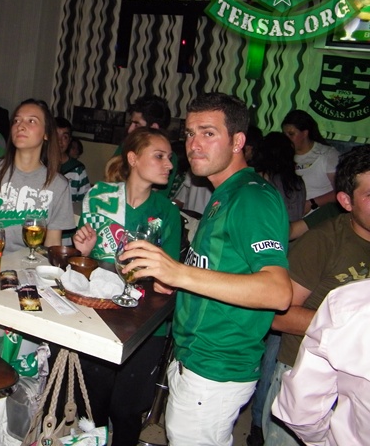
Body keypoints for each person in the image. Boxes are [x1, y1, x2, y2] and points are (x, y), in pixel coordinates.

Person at [121, 92, 292, 445]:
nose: (194, 144)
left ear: (237, 141)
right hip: (198, 361)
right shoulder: (225, 192)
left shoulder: (251, 197)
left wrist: (178, 273)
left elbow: (277, 291)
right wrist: (179, 281)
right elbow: (224, 270)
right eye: (189, 133)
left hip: (216, 369)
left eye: (208, 133)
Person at [72, 127, 181, 446]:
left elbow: (169, 279)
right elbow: (83, 269)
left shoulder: (167, 212)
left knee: (126, 410)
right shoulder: (100, 197)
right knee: (91, 407)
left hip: (145, 326)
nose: (169, 164)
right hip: (99, 316)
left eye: (169, 157)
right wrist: (84, 251)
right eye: (159, 156)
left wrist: (157, 275)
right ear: (133, 158)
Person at [262, 144, 370, 446]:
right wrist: (350, 330)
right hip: (305, 378)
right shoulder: (323, 243)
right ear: (346, 201)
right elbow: (278, 315)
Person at [246, 131, 307, 446]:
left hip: (265, 263)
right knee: (275, 345)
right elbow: (297, 223)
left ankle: (258, 423)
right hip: (292, 262)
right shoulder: (297, 184)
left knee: (268, 343)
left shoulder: (260, 184)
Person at [0, 99, 74, 252]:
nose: (20, 126)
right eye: (16, 120)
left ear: (46, 134)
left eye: (31, 121)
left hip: (30, 264)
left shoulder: (58, 185)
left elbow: (52, 244)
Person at [272, 278, 370, 446]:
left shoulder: (357, 300)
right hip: (294, 359)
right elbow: (280, 318)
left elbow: (300, 409)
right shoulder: (355, 301)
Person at [112, 94, 179, 197]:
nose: (130, 129)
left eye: (136, 124)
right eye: (131, 123)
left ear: (153, 128)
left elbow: (159, 199)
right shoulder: (125, 147)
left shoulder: (170, 159)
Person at [282, 110, 339, 216]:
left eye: (291, 134)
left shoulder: (327, 154)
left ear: (305, 133)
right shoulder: (283, 156)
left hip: (320, 216)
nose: (287, 139)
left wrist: (312, 203)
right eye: (284, 134)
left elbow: (340, 191)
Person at [56, 117, 90, 203]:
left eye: (65, 137)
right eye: (55, 136)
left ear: (69, 141)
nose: (59, 141)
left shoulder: (78, 170)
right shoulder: (39, 164)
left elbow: (84, 202)